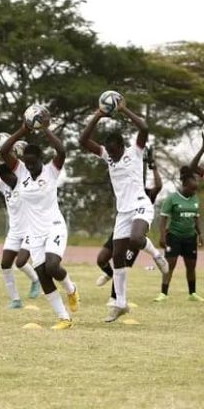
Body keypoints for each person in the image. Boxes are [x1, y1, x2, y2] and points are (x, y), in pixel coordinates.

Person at [79, 100, 168, 322]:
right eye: (108, 151)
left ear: (121, 146)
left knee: (137, 238)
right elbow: (83, 140)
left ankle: (156, 255)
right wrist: (98, 115)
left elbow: (144, 129)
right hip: (123, 212)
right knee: (117, 257)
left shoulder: (135, 152)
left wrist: (124, 109)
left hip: (140, 203)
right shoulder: (108, 156)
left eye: (114, 151)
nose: (111, 155)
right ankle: (120, 303)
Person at [0, 120, 78, 330]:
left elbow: (61, 150)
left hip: (53, 226)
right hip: (34, 233)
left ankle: (71, 289)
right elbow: (5, 150)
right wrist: (23, 129)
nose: (30, 166)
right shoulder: (21, 172)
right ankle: (64, 318)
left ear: (41, 160)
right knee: (43, 276)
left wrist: (44, 129)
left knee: (52, 266)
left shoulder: (51, 171)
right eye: (27, 162)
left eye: (33, 162)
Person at [95, 146, 162, 305]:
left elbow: (158, 186)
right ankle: (109, 274)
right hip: (121, 226)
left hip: (135, 233)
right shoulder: (125, 186)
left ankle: (115, 298)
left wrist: (154, 167)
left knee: (122, 261)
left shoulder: (146, 195)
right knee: (101, 259)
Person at [0, 151, 41, 309]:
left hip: (30, 229)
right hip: (14, 231)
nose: (8, 180)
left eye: (10, 176)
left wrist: (13, 153)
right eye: (4, 178)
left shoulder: (25, 181)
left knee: (21, 262)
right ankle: (15, 300)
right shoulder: (3, 185)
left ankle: (35, 280)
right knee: (5, 264)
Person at [154, 168, 203, 302]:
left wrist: (200, 234)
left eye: (195, 189)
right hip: (174, 236)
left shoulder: (195, 199)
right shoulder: (172, 198)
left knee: (191, 266)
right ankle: (163, 293)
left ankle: (192, 293)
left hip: (190, 237)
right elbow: (163, 218)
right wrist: (162, 236)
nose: (194, 192)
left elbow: (196, 218)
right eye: (192, 189)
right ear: (185, 185)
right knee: (170, 265)